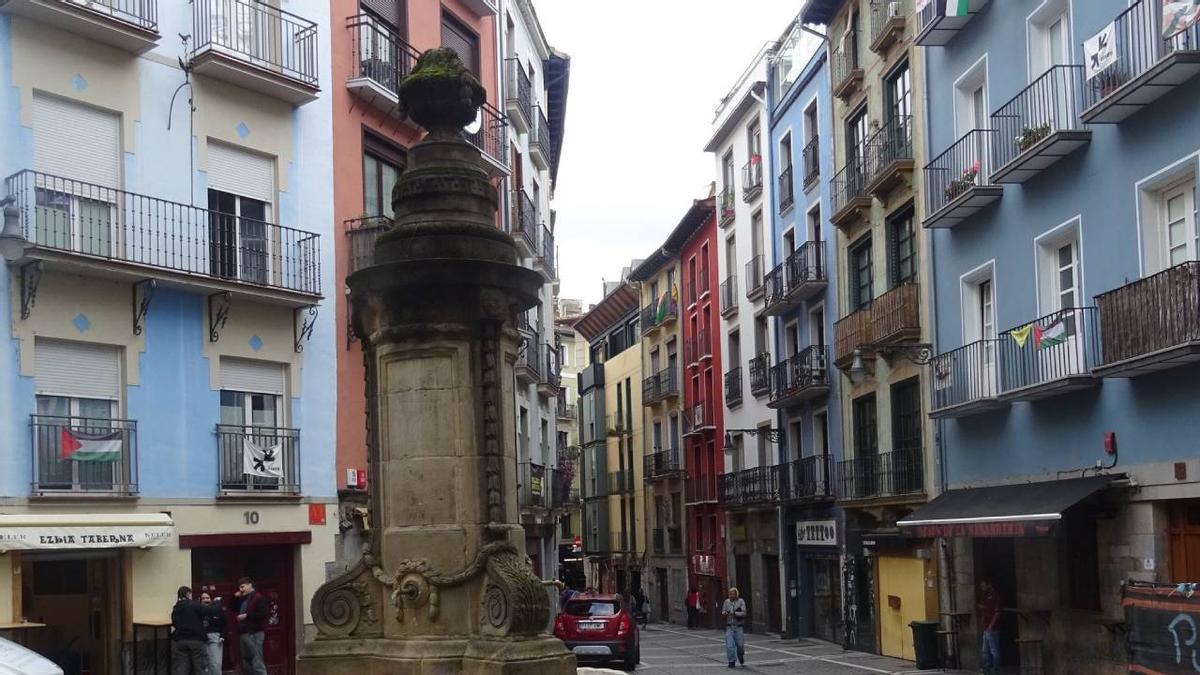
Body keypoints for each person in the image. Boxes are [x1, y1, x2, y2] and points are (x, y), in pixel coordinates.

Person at [230, 576, 269, 675]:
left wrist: (246, 616)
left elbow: (263, 614)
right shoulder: (242, 599)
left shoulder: (258, 597)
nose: (241, 589)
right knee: (246, 660)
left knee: (257, 660)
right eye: (239, 587)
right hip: (243, 633)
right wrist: (235, 597)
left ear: (250, 585)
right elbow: (231, 608)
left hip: (254, 632)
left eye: (242, 586)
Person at [170, 586, 210, 675]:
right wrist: (215, 603)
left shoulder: (176, 607)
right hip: (196, 640)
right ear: (188, 593)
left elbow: (174, 622)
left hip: (181, 640)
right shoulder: (194, 604)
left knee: (182, 667)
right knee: (199, 668)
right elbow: (207, 611)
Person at [977, 579, 1002, 675]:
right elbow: (987, 609)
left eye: (984, 586)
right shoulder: (986, 596)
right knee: (985, 650)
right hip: (986, 627)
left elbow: (997, 612)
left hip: (992, 627)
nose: (982, 588)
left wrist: (991, 625)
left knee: (994, 650)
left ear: (989, 584)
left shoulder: (995, 595)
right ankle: (986, 669)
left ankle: (995, 670)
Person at [199, 591, 225, 675]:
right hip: (201, 638)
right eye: (203, 598)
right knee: (204, 663)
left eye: (207, 598)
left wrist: (222, 635)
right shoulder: (197, 610)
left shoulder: (217, 609)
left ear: (211, 599)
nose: (205, 600)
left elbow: (224, 623)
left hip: (215, 636)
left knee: (216, 663)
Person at [721, 587, 747, 669]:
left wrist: (735, 613)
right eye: (730, 594)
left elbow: (744, 613)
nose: (732, 595)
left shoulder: (741, 601)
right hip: (729, 627)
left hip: (738, 627)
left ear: (736, 594)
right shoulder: (726, 602)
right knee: (729, 645)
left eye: (733, 594)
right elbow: (722, 613)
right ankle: (731, 661)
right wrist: (725, 613)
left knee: (740, 646)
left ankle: (740, 656)